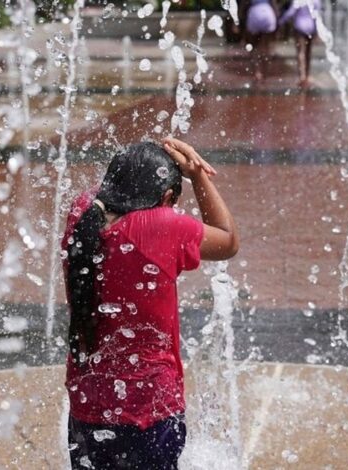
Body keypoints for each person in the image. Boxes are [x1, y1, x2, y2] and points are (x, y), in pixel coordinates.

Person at [62, 138, 239, 469]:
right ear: (167, 198)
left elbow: (110, 195)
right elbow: (227, 240)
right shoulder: (162, 226)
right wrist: (197, 175)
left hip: (87, 402)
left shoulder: (82, 213)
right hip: (150, 408)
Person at [279, 0, 320, 88]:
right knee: (308, 52)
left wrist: (281, 21)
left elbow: (290, 12)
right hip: (311, 26)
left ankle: (302, 76)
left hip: (300, 26)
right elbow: (317, 16)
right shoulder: (316, 1)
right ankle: (307, 75)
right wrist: (317, 31)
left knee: (300, 52)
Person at [242, 0, 279, 81]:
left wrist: (240, 21)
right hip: (267, 13)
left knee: (254, 47)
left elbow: (244, 5)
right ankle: (265, 72)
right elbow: (274, 5)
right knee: (266, 47)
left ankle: (256, 72)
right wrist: (278, 22)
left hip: (254, 13)